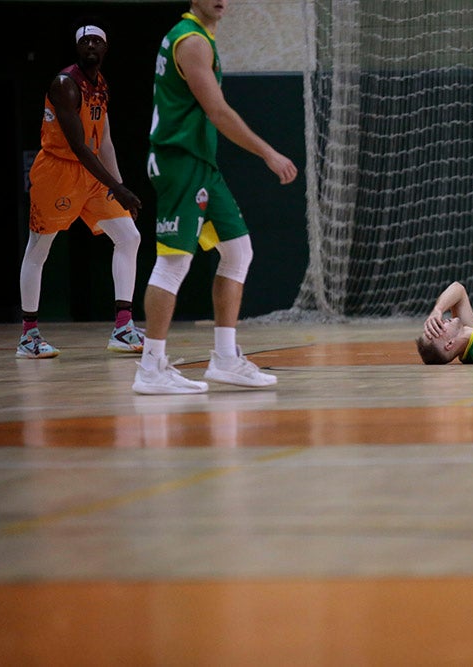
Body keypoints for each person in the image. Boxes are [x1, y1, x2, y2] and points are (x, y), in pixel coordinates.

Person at [132, 0, 298, 394]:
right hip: (179, 161)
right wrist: (269, 154)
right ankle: (150, 366)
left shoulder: (202, 37)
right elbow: (218, 112)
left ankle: (225, 358)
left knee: (238, 250)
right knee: (173, 262)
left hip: (201, 163)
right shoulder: (190, 40)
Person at [17, 20, 144, 359]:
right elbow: (79, 147)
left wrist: (119, 187)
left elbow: (103, 141)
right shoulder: (64, 84)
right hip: (59, 171)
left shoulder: (101, 85)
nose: (91, 46)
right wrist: (116, 186)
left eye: (97, 41)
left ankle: (123, 327)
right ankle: (29, 336)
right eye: (84, 41)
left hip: (92, 175)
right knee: (39, 249)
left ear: (105, 48)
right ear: (77, 48)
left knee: (130, 237)